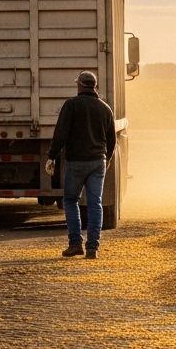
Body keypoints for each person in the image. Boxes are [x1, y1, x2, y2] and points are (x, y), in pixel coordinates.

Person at [46, 70, 117, 259]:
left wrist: (51, 156)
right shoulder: (105, 108)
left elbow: (61, 133)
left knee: (70, 200)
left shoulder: (71, 105)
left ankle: (75, 244)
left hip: (76, 161)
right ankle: (93, 248)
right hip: (98, 162)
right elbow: (112, 139)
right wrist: (107, 157)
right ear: (95, 87)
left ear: (79, 86)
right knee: (95, 203)